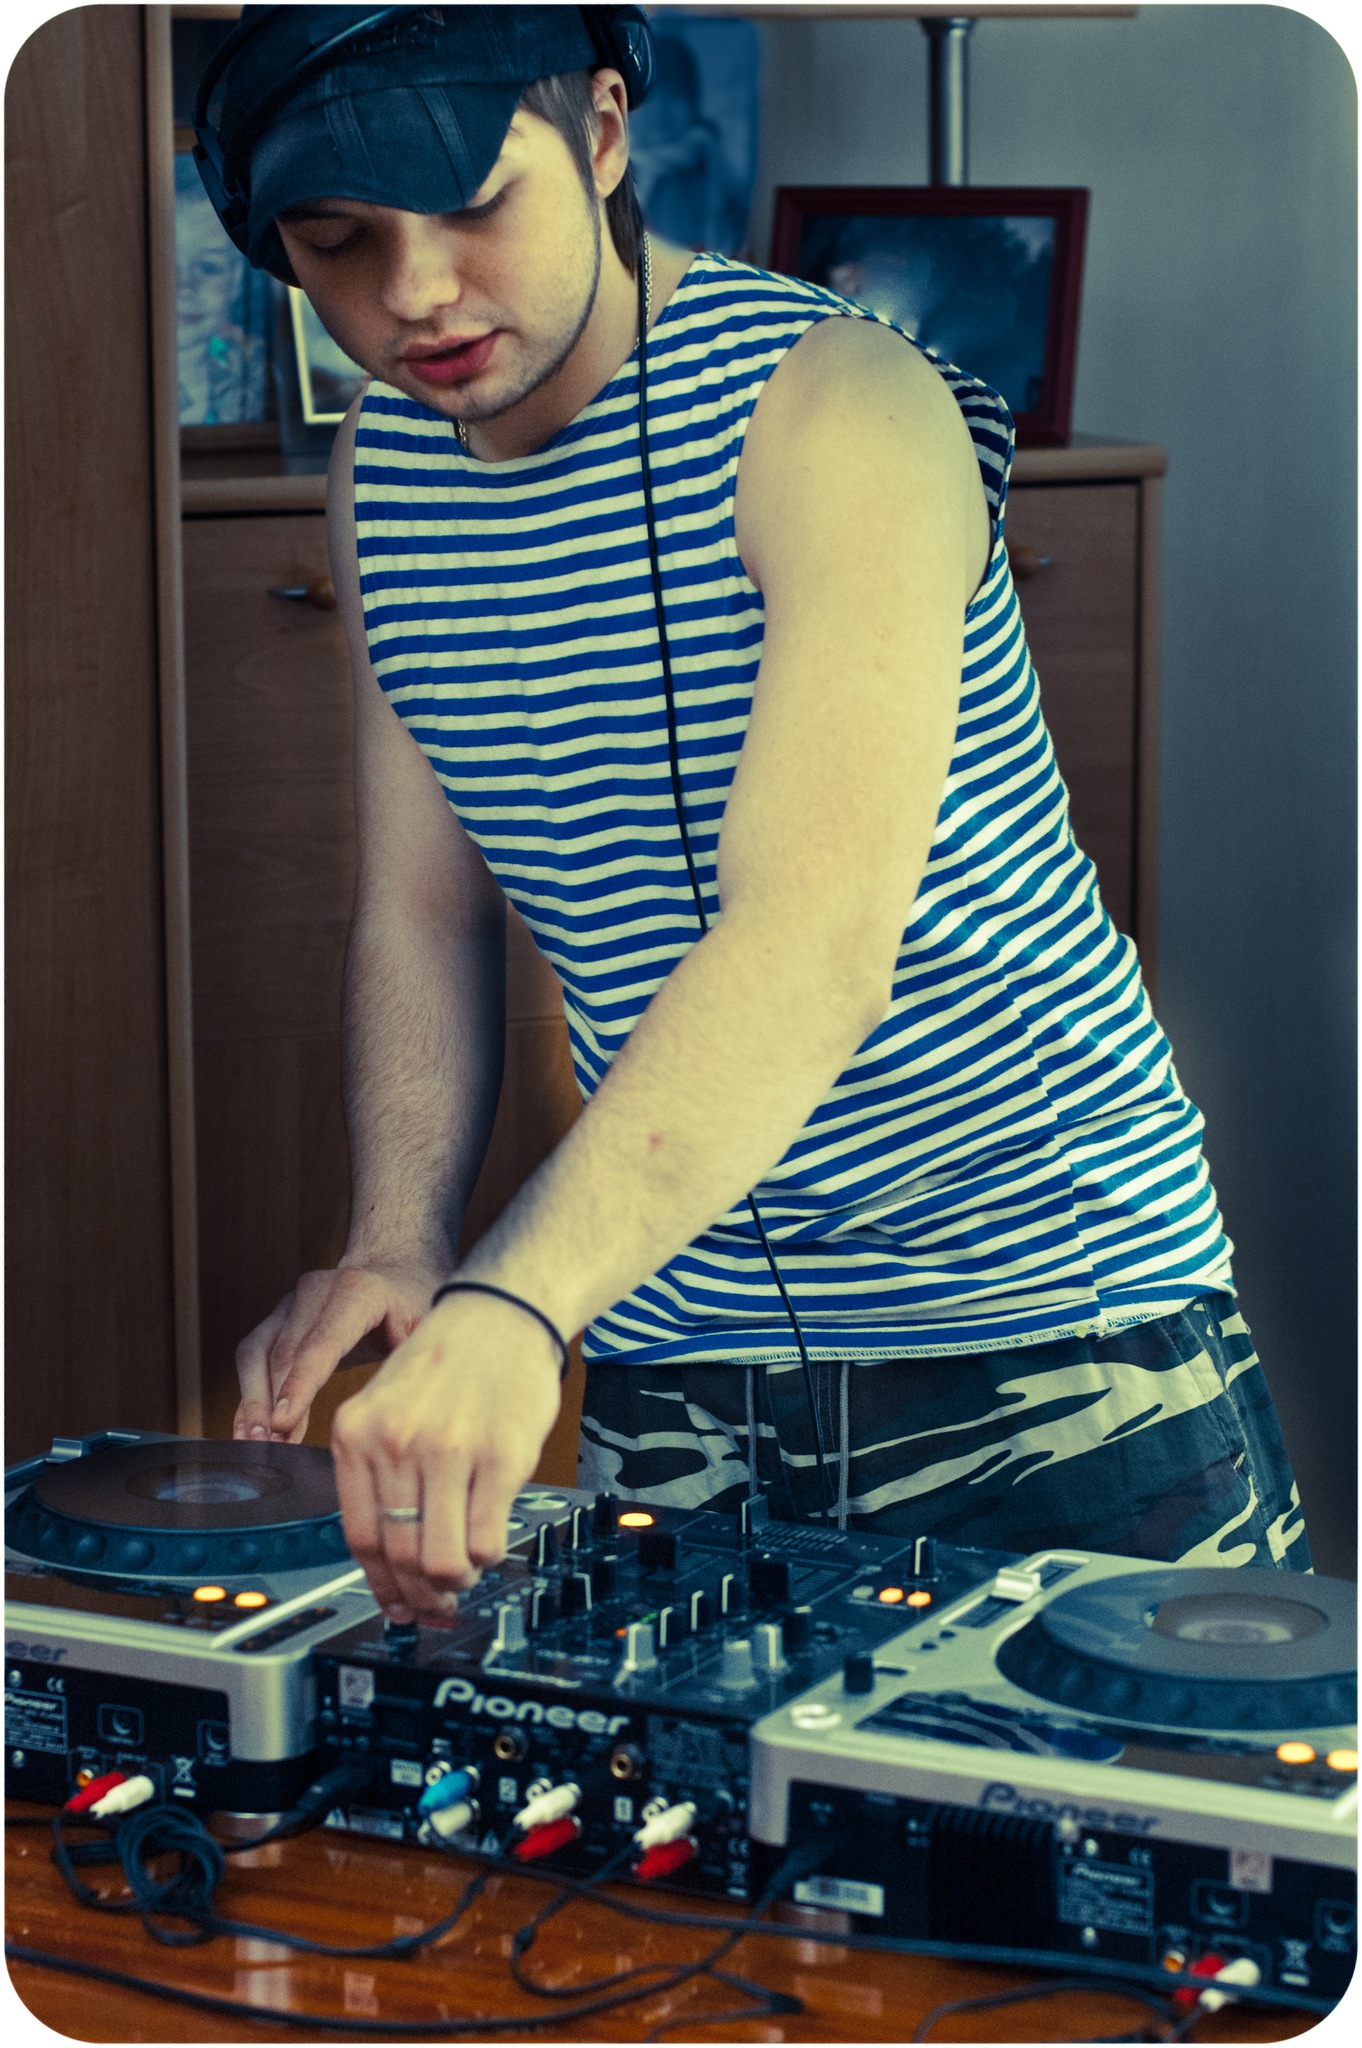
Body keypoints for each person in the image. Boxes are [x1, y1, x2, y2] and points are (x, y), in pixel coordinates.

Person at [200, 5, 1310, 1627]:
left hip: (1044, 1328)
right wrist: (398, 1237)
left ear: (599, 131)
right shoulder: (383, 463)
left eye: (472, 204)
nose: (415, 291)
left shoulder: (841, 408)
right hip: (669, 1328)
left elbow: (809, 944)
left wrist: (516, 1303)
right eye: (338, 242)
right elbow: (424, 908)